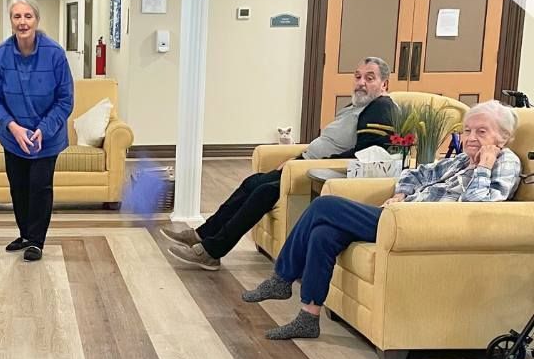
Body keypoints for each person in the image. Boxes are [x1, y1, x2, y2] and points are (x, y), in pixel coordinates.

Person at [242, 100, 521, 340]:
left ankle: (281, 278)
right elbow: (418, 173)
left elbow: (479, 206)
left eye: (481, 132)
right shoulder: (461, 160)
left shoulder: (505, 163)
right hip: (401, 216)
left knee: (324, 206)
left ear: (503, 137)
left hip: (420, 226)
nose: (471, 137)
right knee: (323, 234)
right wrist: (401, 193)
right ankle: (308, 317)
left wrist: (484, 166)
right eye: (467, 130)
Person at [165, 57, 397, 269]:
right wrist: (295, 159)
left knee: (264, 192)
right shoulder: (356, 106)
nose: (361, 83)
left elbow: (366, 153)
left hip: (317, 172)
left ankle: (212, 251)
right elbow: (328, 142)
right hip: (304, 164)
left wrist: (304, 165)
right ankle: (203, 235)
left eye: (369, 78)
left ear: (384, 84)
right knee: (251, 183)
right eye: (357, 76)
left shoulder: (380, 108)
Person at [0, 0, 74, 261]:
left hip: (46, 136)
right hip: (13, 135)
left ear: (36, 19)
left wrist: (43, 130)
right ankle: (25, 234)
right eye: (16, 16)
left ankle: (36, 240)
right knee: (18, 186)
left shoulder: (55, 54)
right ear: (10, 20)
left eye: (28, 16)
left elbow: (65, 100)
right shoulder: (0, 56)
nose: (22, 22)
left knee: (39, 185)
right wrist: (13, 127)